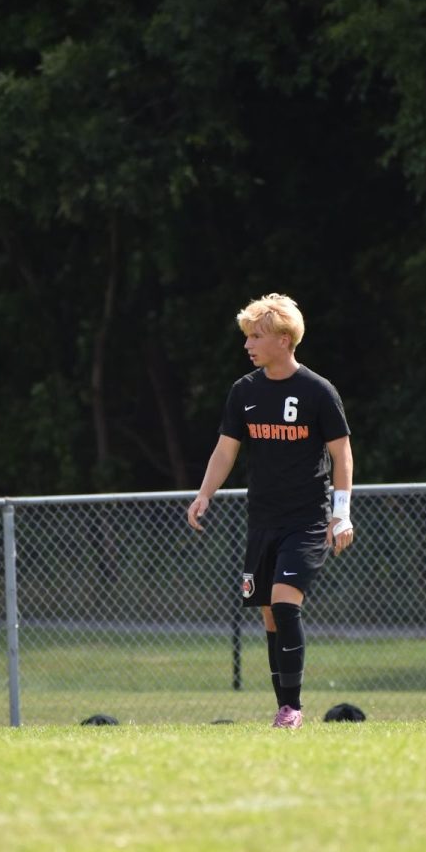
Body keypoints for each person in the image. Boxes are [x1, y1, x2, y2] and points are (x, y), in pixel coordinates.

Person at [187, 293, 353, 728]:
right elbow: (226, 450)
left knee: (284, 605)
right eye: (247, 336)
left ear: (284, 339)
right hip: (262, 521)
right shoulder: (244, 391)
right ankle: (284, 705)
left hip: (308, 520)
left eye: (256, 336)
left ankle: (292, 709)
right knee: (267, 612)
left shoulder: (318, 391)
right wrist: (205, 494)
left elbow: (342, 454)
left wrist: (342, 512)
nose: (248, 345)